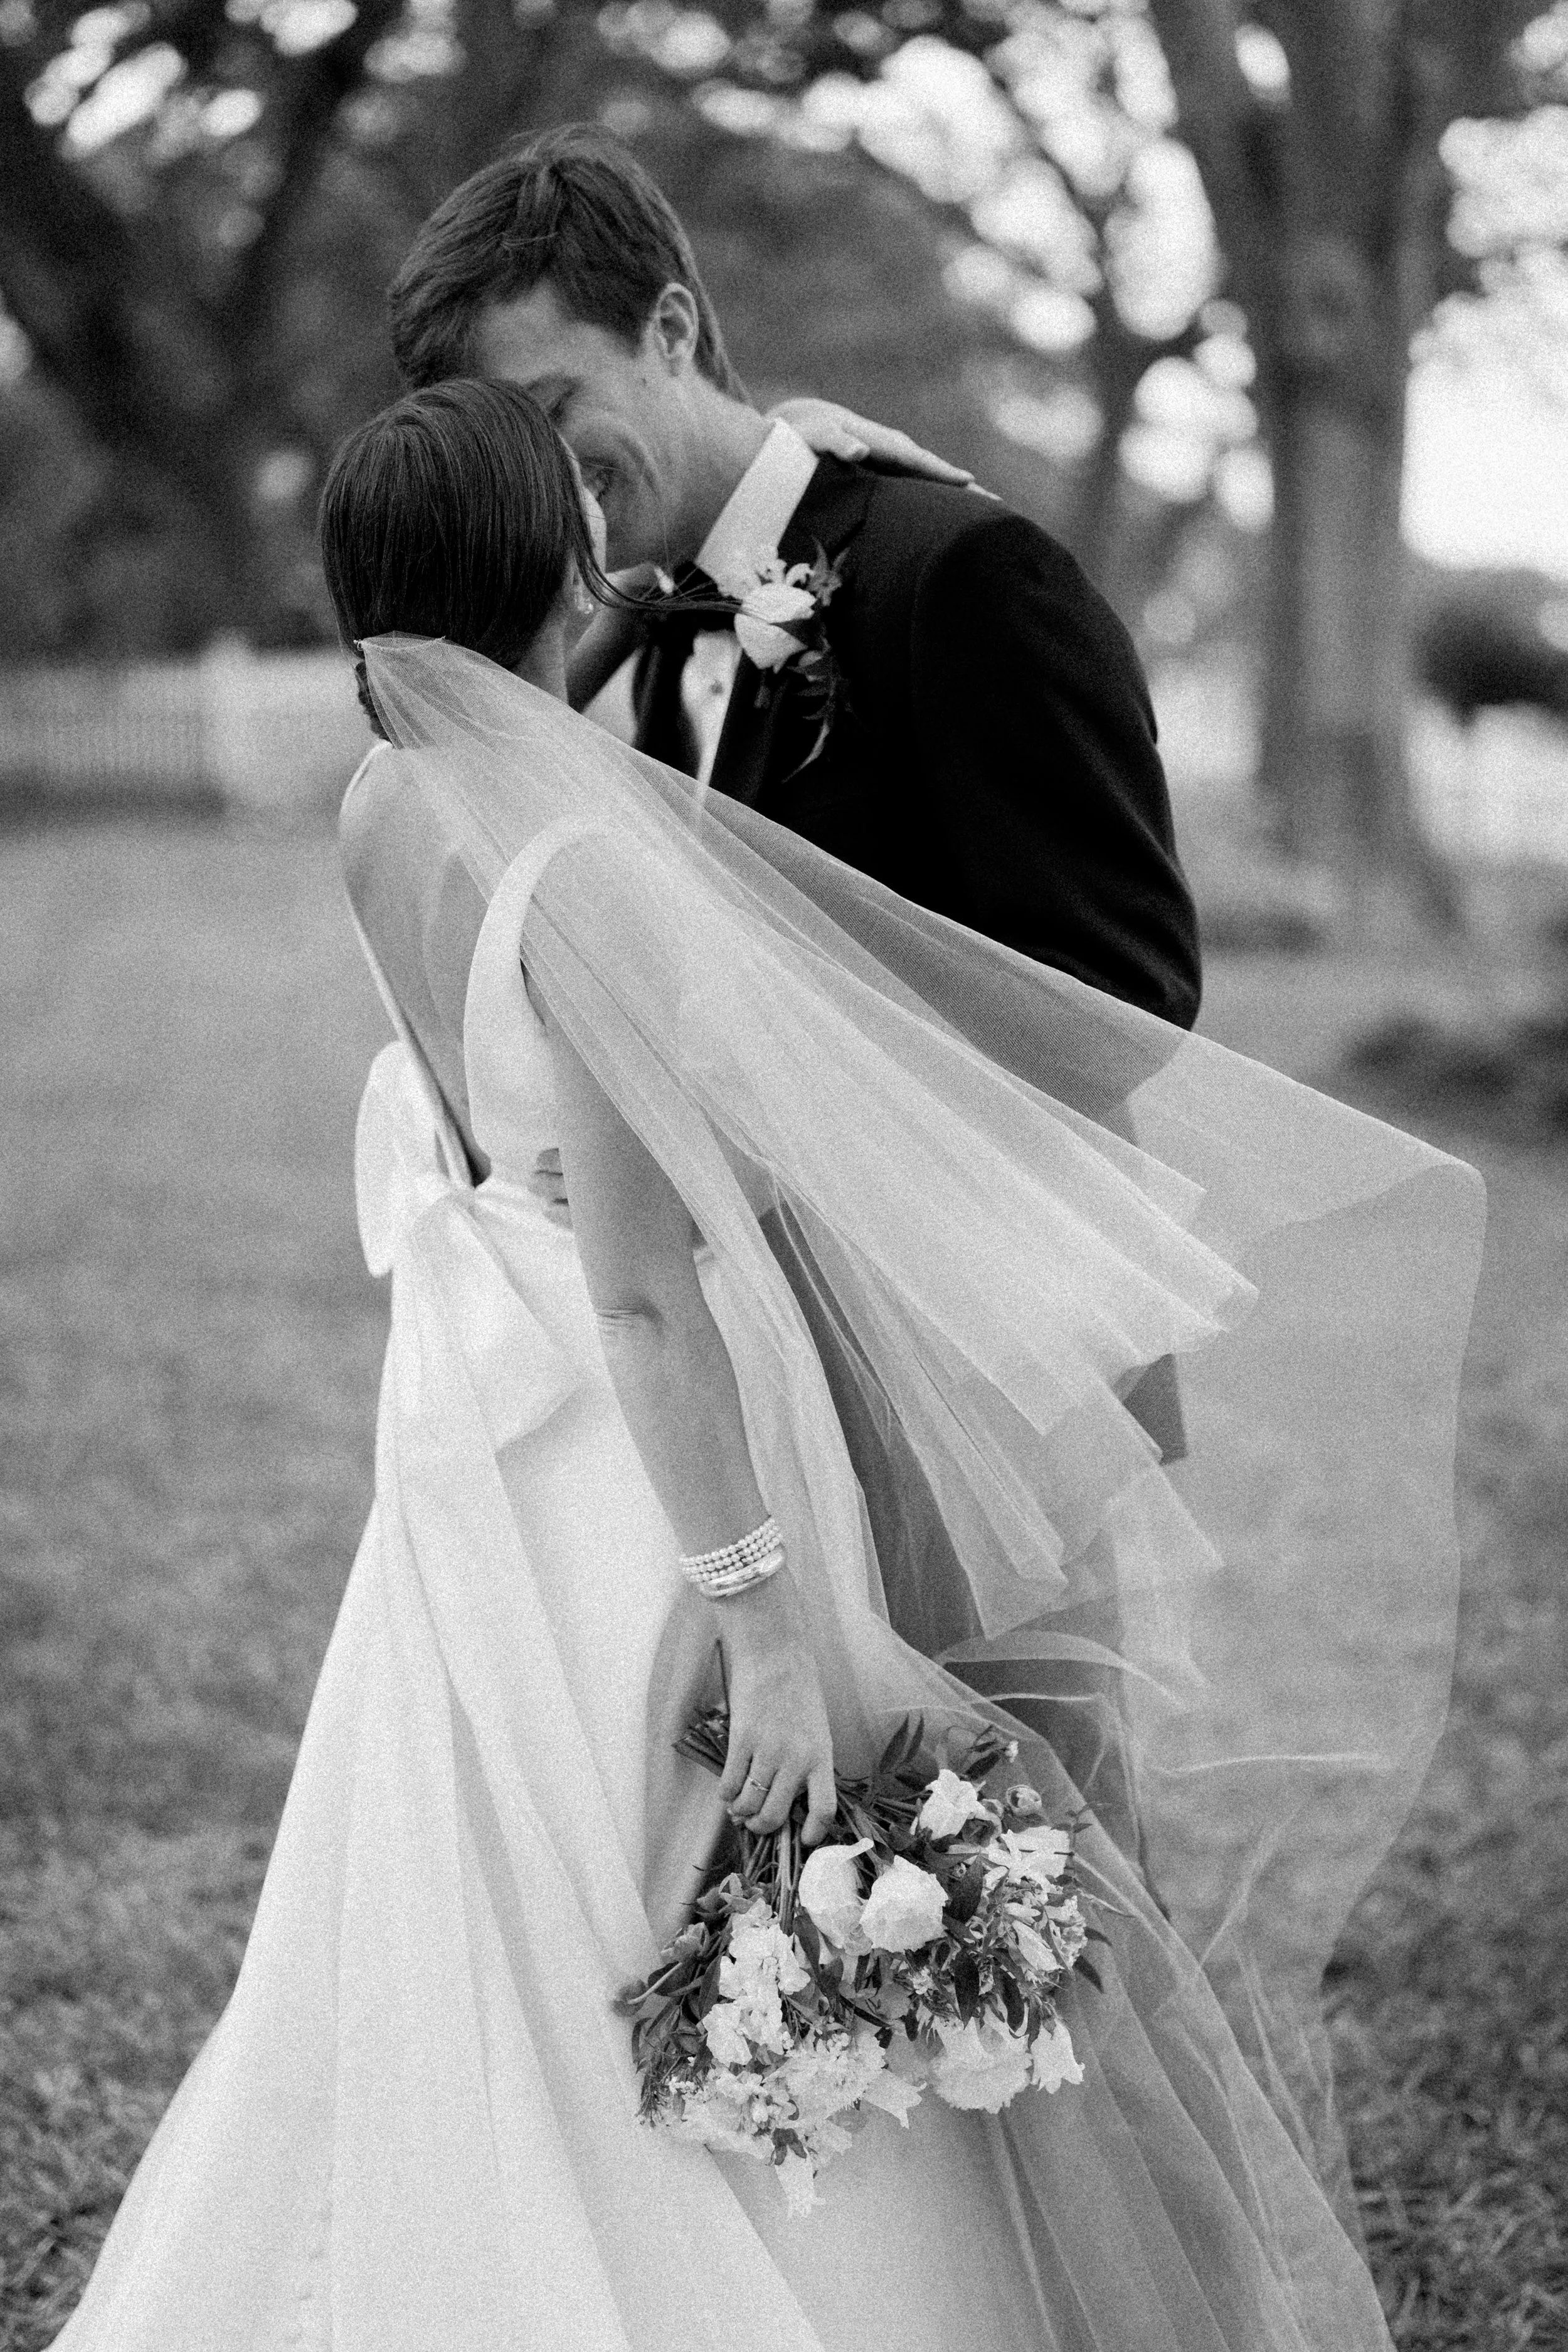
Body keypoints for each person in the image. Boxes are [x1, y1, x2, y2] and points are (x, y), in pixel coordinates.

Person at [48, 376, 1484, 2351]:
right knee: (684, 1850)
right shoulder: (581, 863)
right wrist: (769, 1624)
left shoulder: (382, 802)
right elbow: (645, 1292)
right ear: (555, 569)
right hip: (648, 1451)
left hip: (479, 1441)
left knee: (508, 1881)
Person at [385, 124, 1197, 1851]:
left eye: (553, 411)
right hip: (783, 1391)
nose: (543, 481)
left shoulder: (951, 575)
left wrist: (749, 1139)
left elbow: (1118, 995)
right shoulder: (615, 619)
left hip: (987, 1370)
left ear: (673, 330)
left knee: (1054, 1861)